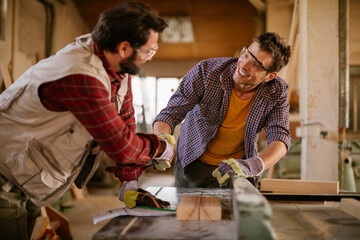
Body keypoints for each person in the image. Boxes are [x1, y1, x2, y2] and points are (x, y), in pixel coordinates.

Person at [0, 2, 174, 239]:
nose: (149, 58)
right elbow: (121, 145)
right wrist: (161, 147)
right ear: (124, 48)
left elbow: (126, 124)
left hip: (24, 172)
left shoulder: (116, 68)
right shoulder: (80, 74)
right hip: (4, 175)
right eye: (148, 51)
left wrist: (129, 182)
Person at [153, 32, 291, 188]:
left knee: (235, 212)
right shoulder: (207, 72)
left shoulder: (276, 91)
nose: (244, 65)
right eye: (246, 55)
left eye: (256, 65)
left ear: (269, 76)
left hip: (238, 169)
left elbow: (280, 137)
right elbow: (170, 114)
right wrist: (162, 140)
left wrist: (255, 165)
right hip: (193, 161)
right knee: (189, 210)